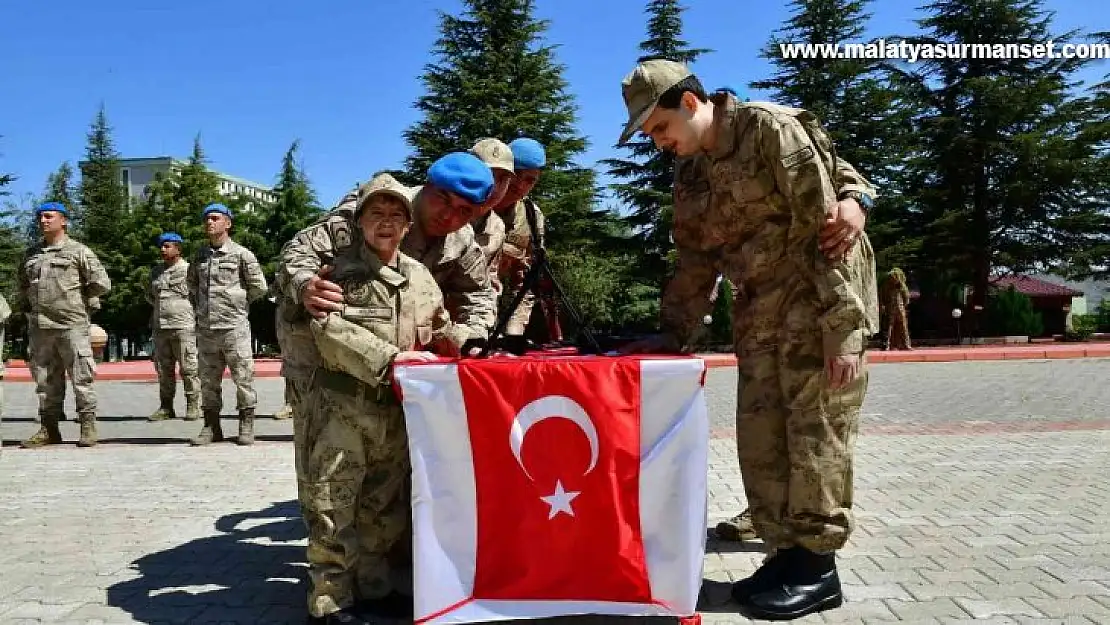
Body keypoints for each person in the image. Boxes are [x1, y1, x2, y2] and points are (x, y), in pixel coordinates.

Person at [617, 59, 879, 620]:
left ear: (689, 104)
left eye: (659, 129)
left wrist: (844, 332)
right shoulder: (690, 174)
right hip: (760, 311)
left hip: (818, 301)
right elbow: (693, 264)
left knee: (815, 436)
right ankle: (784, 554)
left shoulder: (767, 129)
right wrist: (671, 336)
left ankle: (817, 567)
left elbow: (825, 229)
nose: (659, 143)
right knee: (762, 436)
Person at [301, 172, 466, 624]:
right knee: (333, 505)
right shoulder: (339, 273)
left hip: (397, 413)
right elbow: (326, 331)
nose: (387, 223)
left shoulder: (421, 278)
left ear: (409, 225)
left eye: (396, 214)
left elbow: (437, 326)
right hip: (344, 409)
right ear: (361, 221)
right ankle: (328, 600)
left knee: (384, 507)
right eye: (377, 213)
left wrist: (456, 341)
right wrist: (393, 361)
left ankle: (374, 588)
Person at [19, 202, 112, 448]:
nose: (43, 221)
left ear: (63, 221)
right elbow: (23, 286)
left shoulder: (78, 251)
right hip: (41, 326)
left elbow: (101, 282)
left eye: (49, 216)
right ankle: (49, 429)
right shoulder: (31, 255)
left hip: (71, 324)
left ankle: (87, 426)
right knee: (45, 380)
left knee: (81, 377)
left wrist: (78, 301)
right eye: (40, 217)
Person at [187, 203, 268, 446]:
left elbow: (259, 287)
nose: (209, 222)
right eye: (207, 219)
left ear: (228, 223)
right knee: (208, 381)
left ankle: (246, 424)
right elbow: (191, 286)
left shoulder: (242, 254)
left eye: (215, 218)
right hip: (207, 329)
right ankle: (211, 426)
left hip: (234, 328)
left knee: (243, 378)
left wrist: (238, 304)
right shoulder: (199, 256)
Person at [491, 137, 555, 344]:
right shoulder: (470, 207)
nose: (520, 184)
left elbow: (527, 282)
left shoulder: (530, 217)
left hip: (492, 317)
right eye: (516, 174)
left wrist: (513, 332)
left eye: (530, 180)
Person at [146, 232, 201, 422]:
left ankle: (193, 405)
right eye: (162, 246)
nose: (163, 249)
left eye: (167, 246)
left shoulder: (189, 270)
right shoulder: (155, 272)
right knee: (163, 370)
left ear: (178, 248)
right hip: (161, 327)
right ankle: (166, 407)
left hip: (184, 326)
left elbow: (198, 296)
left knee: (189, 368)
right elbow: (150, 296)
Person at [467, 137, 513, 297]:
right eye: (488, 174)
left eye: (503, 179)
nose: (495, 186)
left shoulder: (497, 228)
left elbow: (490, 277)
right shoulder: (442, 212)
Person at [881, 268, 912, 350]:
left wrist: (903, 306)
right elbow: (883, 297)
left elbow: (906, 298)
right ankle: (887, 345)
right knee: (889, 328)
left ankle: (906, 344)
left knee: (903, 328)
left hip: (900, 309)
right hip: (890, 309)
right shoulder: (887, 287)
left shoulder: (902, 286)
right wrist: (884, 306)